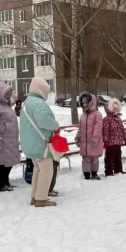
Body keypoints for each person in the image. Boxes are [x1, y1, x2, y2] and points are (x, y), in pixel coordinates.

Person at [20, 77, 59, 207]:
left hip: (31, 144)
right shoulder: (38, 103)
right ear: (41, 90)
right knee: (46, 172)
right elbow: (44, 121)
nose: (47, 94)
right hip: (41, 145)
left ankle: (34, 196)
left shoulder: (27, 102)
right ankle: (41, 199)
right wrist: (55, 125)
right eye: (46, 91)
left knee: (38, 170)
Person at [75, 92, 103, 180]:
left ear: (91, 102)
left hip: (94, 142)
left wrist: (94, 139)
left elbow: (98, 128)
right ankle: (86, 174)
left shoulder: (97, 114)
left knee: (94, 158)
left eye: (86, 103)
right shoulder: (83, 116)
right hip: (85, 142)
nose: (84, 105)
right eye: (83, 103)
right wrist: (78, 136)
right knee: (86, 159)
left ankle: (94, 173)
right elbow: (80, 128)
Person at [0, 82, 19, 192]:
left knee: (9, 163)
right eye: (6, 93)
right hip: (3, 140)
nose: (9, 95)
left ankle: (5, 181)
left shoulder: (7, 106)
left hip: (11, 139)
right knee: (2, 164)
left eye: (9, 93)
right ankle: (1, 183)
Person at [102, 98, 126, 176]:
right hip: (111, 142)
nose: (116, 110)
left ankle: (118, 169)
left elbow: (122, 129)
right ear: (110, 109)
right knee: (110, 158)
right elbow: (105, 131)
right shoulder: (107, 119)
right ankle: (109, 171)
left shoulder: (118, 118)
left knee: (118, 156)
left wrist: (125, 138)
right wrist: (106, 141)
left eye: (117, 108)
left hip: (118, 142)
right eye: (114, 109)